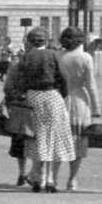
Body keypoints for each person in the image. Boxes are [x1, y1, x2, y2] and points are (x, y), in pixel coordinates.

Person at [16, 27, 74, 193]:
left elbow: (21, 81)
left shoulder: (25, 56)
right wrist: (62, 94)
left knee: (36, 138)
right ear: (46, 41)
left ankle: (37, 177)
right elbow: (63, 77)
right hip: (52, 96)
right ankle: (49, 179)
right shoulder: (53, 54)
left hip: (33, 97)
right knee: (53, 137)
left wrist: (24, 95)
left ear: (29, 41)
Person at [54, 26, 101, 191]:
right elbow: (91, 85)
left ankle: (53, 178)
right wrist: (96, 107)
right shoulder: (85, 57)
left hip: (59, 100)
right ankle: (72, 179)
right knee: (78, 142)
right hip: (80, 102)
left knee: (59, 141)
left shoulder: (57, 56)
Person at [2, 55, 32, 186]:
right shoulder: (44, 62)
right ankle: (35, 173)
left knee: (19, 142)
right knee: (36, 140)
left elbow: (7, 87)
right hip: (35, 106)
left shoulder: (16, 65)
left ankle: (22, 173)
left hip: (18, 106)